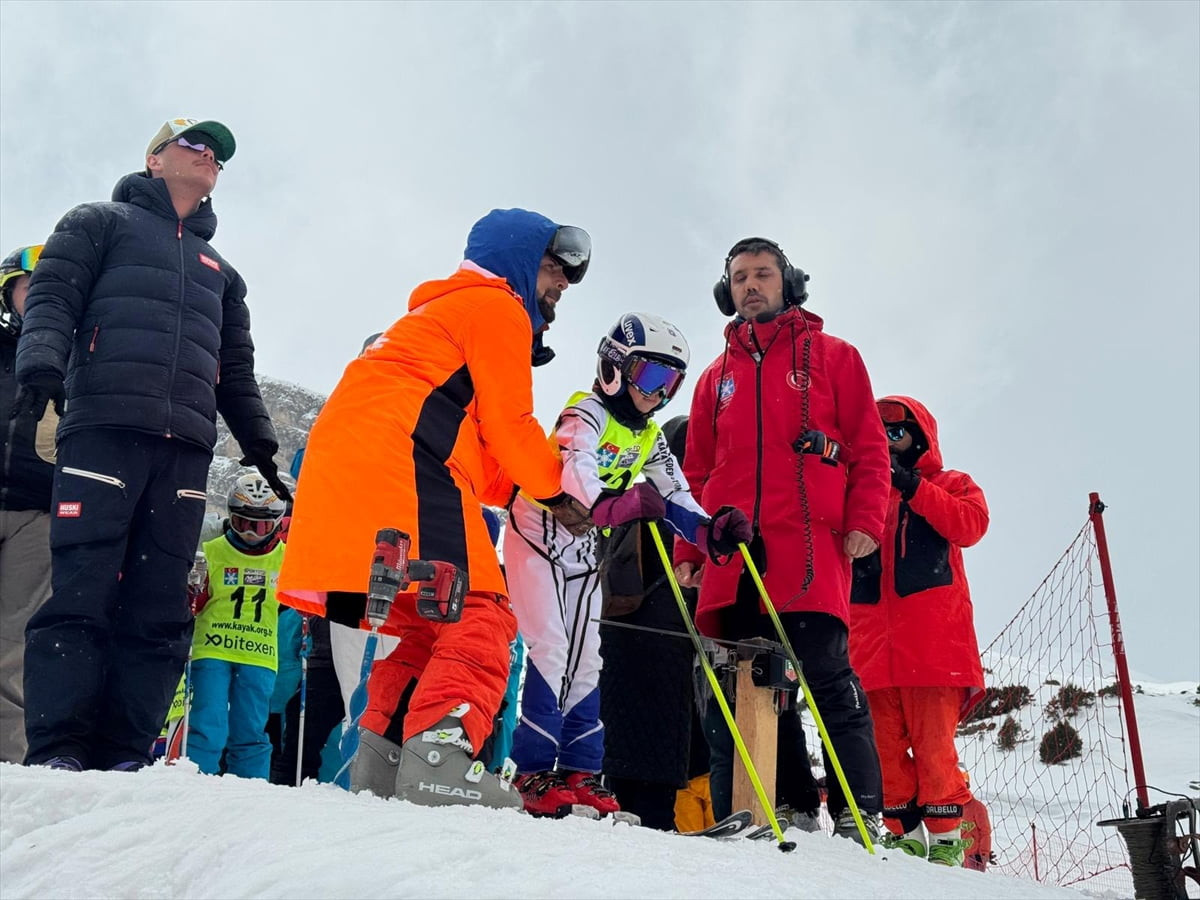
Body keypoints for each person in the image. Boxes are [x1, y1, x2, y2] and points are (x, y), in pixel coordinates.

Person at [278, 208, 592, 810]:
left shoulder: (434, 321)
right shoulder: (494, 305)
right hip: (402, 458)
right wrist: (563, 489)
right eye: (555, 270)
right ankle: (441, 763)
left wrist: (537, 486)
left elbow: (489, 464)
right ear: (522, 262)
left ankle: (382, 762)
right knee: (482, 611)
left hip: (354, 465)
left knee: (431, 620)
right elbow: (511, 423)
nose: (561, 287)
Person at [13, 117, 286, 771]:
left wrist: (262, 445)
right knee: (82, 590)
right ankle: (59, 749)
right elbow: (51, 293)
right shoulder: (96, 223)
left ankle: (125, 753)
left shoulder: (224, 273)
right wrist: (42, 362)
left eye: (217, 152)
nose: (208, 156)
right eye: (193, 144)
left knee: (159, 607)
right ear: (154, 159)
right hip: (104, 430)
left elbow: (237, 371)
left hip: (186, 451)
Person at [674, 237, 891, 845]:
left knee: (826, 679)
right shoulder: (712, 379)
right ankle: (784, 807)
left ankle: (859, 813)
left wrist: (865, 522)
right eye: (739, 277)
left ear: (786, 282)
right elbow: (693, 474)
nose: (750, 286)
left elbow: (871, 449)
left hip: (812, 549)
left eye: (762, 274)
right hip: (733, 556)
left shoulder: (836, 357)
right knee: (748, 685)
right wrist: (690, 551)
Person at [505, 313, 748, 818]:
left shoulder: (649, 435)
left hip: (579, 547)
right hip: (536, 535)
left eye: (670, 382)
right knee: (553, 650)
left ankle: (579, 770)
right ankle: (531, 773)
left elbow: (674, 492)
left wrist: (710, 532)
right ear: (617, 367)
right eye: (650, 377)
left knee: (588, 658)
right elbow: (579, 467)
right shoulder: (585, 411)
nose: (658, 394)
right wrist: (614, 505)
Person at [848, 395, 989, 866]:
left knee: (934, 751)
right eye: (879, 433)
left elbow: (970, 525)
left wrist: (912, 487)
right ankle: (903, 835)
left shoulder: (952, 484)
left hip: (935, 653)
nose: (889, 443)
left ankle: (947, 838)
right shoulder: (858, 491)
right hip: (869, 654)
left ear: (921, 436)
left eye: (897, 432)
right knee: (883, 752)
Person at [596, 414, 711, 831]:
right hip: (662, 638)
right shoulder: (675, 507)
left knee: (631, 740)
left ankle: (634, 812)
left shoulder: (629, 493)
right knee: (661, 742)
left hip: (619, 637)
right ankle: (655, 820)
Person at [185, 473, 287, 778]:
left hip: (259, 654)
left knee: (251, 729)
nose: (251, 535)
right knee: (208, 724)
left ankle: (250, 792)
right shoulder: (212, 552)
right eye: (243, 524)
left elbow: (299, 604)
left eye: (261, 527)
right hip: (212, 649)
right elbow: (197, 600)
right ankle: (195, 783)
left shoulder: (287, 560)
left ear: (277, 524)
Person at [0, 244, 54, 763]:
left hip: (39, 509)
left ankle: (7, 763)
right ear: (8, 293)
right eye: (28, 284)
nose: (37, 295)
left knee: (13, 643)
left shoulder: (79, 351)